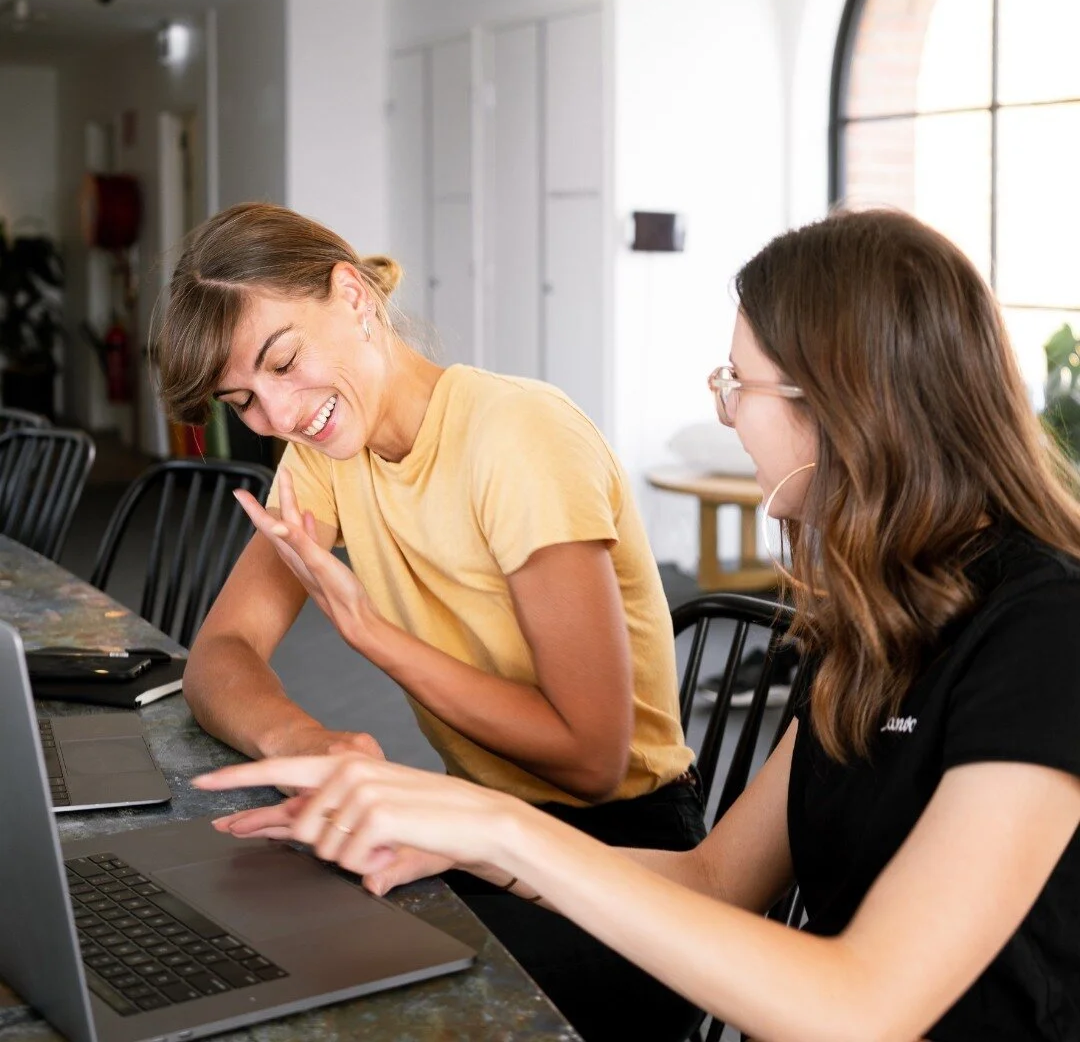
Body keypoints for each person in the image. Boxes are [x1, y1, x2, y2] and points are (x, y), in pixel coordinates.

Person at [194, 208, 1080, 1042]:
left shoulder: (1045, 631)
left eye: (739, 385)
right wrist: (464, 836)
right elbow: (717, 881)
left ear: (843, 404)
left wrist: (497, 828)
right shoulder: (879, 618)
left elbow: (862, 1007)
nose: (728, 414)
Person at [151, 201, 706, 1042]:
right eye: (245, 400)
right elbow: (220, 657)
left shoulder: (516, 435)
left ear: (353, 296)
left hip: (627, 862)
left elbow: (593, 760)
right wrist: (309, 746)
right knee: (263, 935)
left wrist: (375, 636)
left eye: (285, 361)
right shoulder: (323, 457)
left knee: (357, 998)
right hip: (479, 830)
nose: (280, 413)